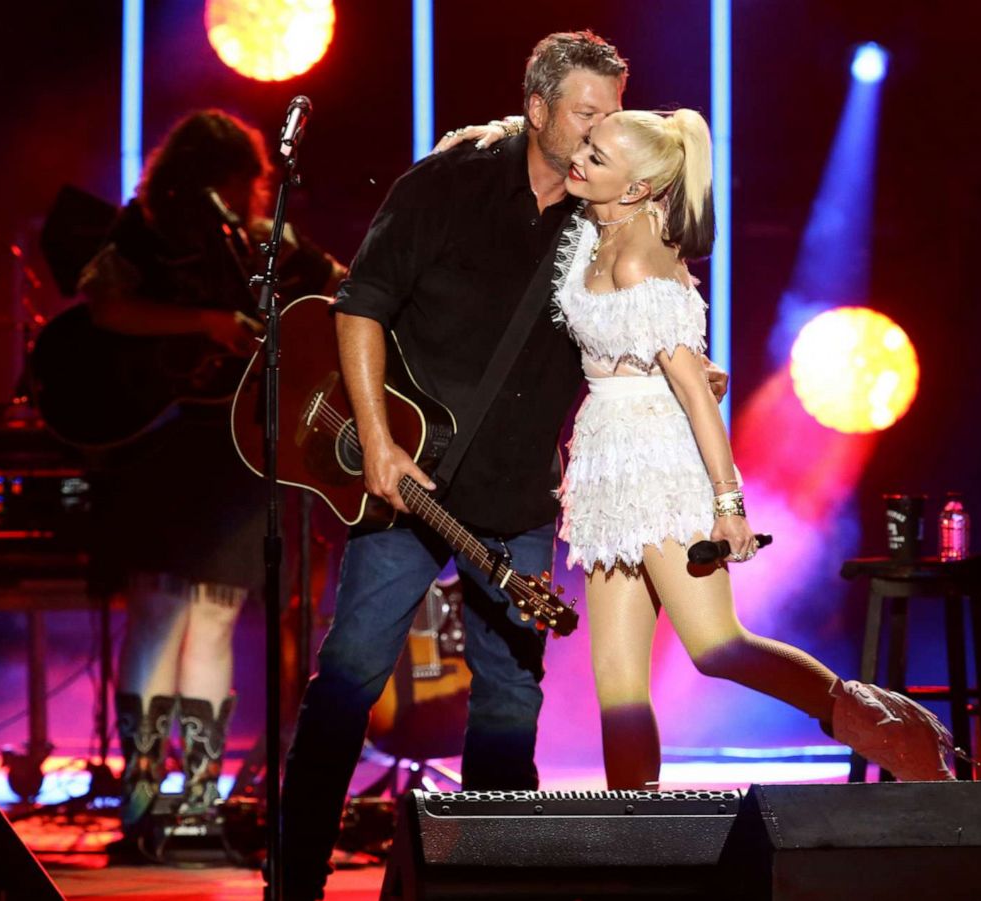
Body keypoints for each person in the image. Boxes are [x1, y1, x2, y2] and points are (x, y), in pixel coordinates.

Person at [273, 31, 634, 901]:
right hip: (411, 487)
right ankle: (294, 883)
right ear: (538, 108)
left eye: (612, 115)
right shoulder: (447, 182)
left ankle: (486, 886)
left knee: (510, 703)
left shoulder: (608, 213)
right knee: (349, 680)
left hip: (519, 497)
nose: (599, 132)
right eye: (584, 112)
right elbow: (358, 308)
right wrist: (379, 443)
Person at [550, 107, 958, 790]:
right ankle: (636, 841)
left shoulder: (641, 257)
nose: (580, 158)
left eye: (597, 155)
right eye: (586, 145)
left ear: (637, 188)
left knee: (716, 647)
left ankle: (888, 727)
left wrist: (728, 500)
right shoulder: (587, 230)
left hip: (659, 460)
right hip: (605, 461)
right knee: (617, 686)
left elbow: (693, 390)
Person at [76, 109, 345, 853]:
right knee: (161, 610)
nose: (238, 195)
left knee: (216, 616)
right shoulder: (141, 231)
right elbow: (104, 304)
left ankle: (195, 803)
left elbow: (341, 287)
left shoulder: (261, 240)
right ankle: (139, 806)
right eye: (231, 181)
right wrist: (203, 321)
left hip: (238, 450)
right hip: (162, 444)